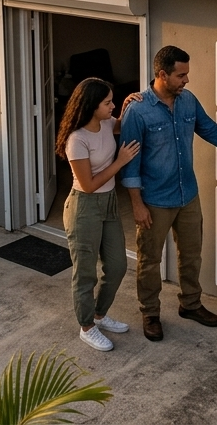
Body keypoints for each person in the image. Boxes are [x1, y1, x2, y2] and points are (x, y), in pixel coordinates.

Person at [119, 45, 217, 342]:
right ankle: (150, 312)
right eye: (181, 75)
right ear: (162, 75)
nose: (186, 80)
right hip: (154, 200)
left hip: (187, 195)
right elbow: (130, 165)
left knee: (191, 255)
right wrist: (137, 205)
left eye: (187, 74)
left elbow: (211, 130)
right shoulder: (137, 111)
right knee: (149, 260)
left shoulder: (188, 101)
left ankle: (190, 304)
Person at [56, 77, 141, 352]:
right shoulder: (76, 140)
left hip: (109, 205)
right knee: (85, 274)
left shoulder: (106, 123)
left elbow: (119, 124)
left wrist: (127, 105)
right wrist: (121, 162)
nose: (112, 106)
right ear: (92, 106)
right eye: (107, 102)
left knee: (117, 266)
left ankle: (99, 315)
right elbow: (89, 185)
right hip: (85, 207)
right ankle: (86, 327)